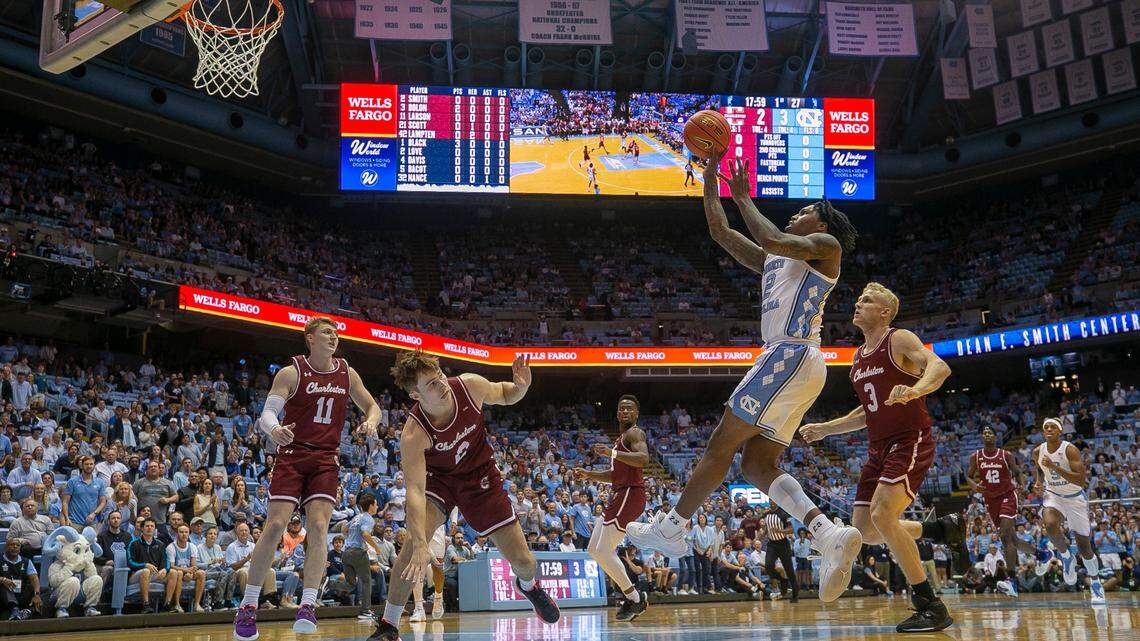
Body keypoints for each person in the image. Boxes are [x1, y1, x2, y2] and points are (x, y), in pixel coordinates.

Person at [628, 155, 862, 606]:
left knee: (721, 441)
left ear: (823, 220)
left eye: (804, 211)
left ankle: (671, 529)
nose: (797, 215)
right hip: (796, 364)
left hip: (789, 353)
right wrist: (710, 179)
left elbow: (772, 234)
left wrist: (742, 192)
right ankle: (827, 532)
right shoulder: (777, 260)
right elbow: (722, 233)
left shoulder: (825, 244)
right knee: (756, 465)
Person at [800, 282, 958, 633]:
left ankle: (928, 603)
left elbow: (939, 367)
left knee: (884, 515)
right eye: (858, 299)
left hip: (908, 438)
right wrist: (827, 428)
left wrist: (915, 388)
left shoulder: (897, 339)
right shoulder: (858, 356)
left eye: (867, 301)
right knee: (867, 531)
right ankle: (938, 528)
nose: (858, 304)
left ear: (885, 312)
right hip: (877, 447)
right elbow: (867, 411)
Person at [369, 352, 559, 641]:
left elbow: (505, 394)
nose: (442, 384)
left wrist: (520, 387)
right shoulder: (414, 433)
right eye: (431, 384)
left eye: (440, 376)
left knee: (525, 562)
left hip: (480, 475)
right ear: (416, 395)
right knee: (411, 550)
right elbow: (416, 492)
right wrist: (420, 541)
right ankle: (389, 625)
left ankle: (529, 585)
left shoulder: (468, 386)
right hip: (439, 481)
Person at [234, 317, 380, 640]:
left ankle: (308, 604)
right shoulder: (292, 372)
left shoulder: (346, 372)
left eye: (336, 333)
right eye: (327, 332)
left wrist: (371, 421)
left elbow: (373, 406)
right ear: (310, 337)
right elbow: (267, 414)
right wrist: (275, 430)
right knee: (274, 526)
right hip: (292, 453)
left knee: (318, 527)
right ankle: (247, 606)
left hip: (326, 459)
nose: (334, 337)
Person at [573, 394, 649, 621]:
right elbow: (616, 475)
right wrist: (590, 475)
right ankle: (634, 597)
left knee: (603, 550)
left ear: (636, 414)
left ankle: (634, 598)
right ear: (617, 414)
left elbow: (643, 458)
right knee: (594, 550)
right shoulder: (620, 439)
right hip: (621, 494)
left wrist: (611, 453)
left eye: (630, 409)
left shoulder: (635, 433)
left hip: (630, 494)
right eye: (622, 409)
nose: (625, 412)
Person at [1032, 417, 1104, 605]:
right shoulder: (1037, 451)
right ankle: (1065, 556)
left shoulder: (1070, 449)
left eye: (1053, 427)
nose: (1048, 429)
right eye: (1045, 426)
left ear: (1060, 431)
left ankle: (1096, 583)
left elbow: (1080, 480)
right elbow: (1040, 470)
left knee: (1084, 547)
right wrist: (1039, 483)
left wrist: (1054, 466)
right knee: (1049, 524)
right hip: (1054, 495)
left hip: (1075, 498)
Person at [967, 425, 1034, 596]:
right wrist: (974, 486)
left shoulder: (1006, 455)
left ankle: (1011, 581)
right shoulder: (976, 456)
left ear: (996, 437)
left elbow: (1018, 472)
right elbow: (968, 475)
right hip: (990, 499)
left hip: (1007, 495)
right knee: (1013, 540)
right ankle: (1040, 554)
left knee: (1004, 536)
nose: (987, 434)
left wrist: (1022, 485)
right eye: (984, 432)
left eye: (990, 432)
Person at [344, 493, 384, 621]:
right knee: (366, 581)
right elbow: (365, 534)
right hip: (358, 553)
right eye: (376, 504)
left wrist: (350, 540)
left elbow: (344, 529)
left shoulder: (357, 517)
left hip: (346, 552)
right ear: (371, 505)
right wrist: (377, 548)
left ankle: (330, 586)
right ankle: (365, 611)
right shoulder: (368, 518)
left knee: (351, 584)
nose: (377, 506)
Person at [763, 505, 798, 603]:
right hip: (772, 544)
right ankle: (783, 580)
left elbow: (790, 530)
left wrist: (780, 531)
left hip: (783, 544)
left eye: (773, 500)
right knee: (768, 566)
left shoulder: (783, 514)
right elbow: (767, 528)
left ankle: (795, 595)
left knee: (789, 569)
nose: (771, 502)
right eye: (770, 500)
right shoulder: (766, 514)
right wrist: (760, 536)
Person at [0, 538, 41, 620]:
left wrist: (37, 595)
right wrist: (3, 579)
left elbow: (34, 578)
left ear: (20, 549)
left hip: (21, 593)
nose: (15, 547)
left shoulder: (26, 561)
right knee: (3, 586)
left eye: (17, 545)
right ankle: (15, 609)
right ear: (6, 547)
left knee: (45, 591)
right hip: (4, 596)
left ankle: (27, 611)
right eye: (12, 545)